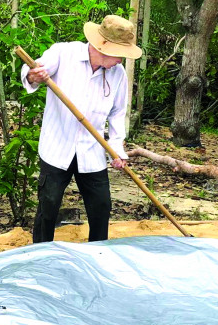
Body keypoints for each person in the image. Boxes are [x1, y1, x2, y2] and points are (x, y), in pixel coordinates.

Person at [21, 15, 143, 244]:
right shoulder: (64, 54)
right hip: (58, 147)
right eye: (120, 54)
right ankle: (39, 255)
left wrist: (116, 149)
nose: (121, 60)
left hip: (92, 150)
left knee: (101, 206)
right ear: (103, 47)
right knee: (48, 205)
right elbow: (34, 72)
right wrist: (32, 75)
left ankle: (98, 253)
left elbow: (118, 113)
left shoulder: (118, 75)